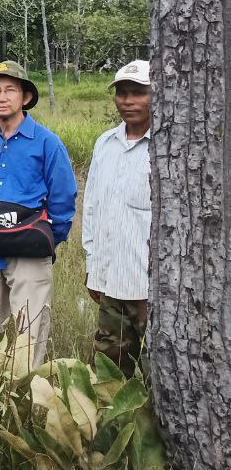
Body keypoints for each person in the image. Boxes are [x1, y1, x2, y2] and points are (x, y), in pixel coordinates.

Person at [0, 61, 77, 364]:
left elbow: (63, 198)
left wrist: (49, 240)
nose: (1, 97)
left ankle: (25, 400)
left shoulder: (47, 142)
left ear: (25, 97)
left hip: (28, 251)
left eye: (10, 90)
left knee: (30, 333)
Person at [82, 60, 152, 375]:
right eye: (122, 93)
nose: (127, 101)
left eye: (138, 93)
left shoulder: (170, 149)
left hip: (151, 290)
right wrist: (93, 269)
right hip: (111, 286)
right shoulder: (104, 143)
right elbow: (93, 207)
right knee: (108, 376)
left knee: (156, 380)